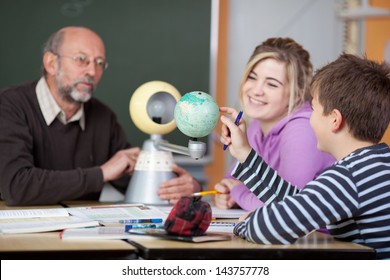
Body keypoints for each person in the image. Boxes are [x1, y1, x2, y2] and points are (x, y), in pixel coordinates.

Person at [219, 53, 390, 259]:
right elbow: (297, 201)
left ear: (334, 120)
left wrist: (247, 222)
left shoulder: (347, 178)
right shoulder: (375, 165)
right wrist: (244, 153)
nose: (308, 119)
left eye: (313, 109)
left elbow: (271, 228)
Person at [0, 26, 141, 206]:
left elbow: (130, 179)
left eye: (99, 63)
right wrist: (101, 173)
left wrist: (173, 184)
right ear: (51, 63)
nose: (92, 72)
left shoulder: (104, 117)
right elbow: (16, 186)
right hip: (19, 230)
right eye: (81, 59)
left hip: (82, 231)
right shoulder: (9, 106)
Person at [214, 37, 335, 211]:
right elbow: (231, 182)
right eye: (252, 77)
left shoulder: (304, 129)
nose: (256, 90)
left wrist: (237, 193)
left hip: (319, 237)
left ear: (297, 94)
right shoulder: (257, 125)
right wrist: (226, 193)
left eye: (272, 84)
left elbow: (285, 207)